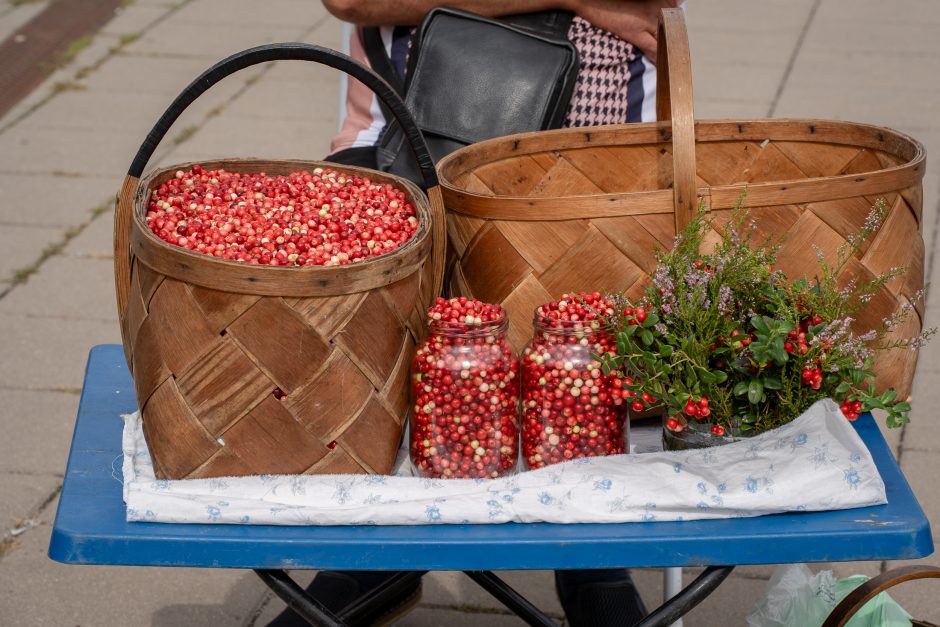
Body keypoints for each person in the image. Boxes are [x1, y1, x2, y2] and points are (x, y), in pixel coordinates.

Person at [268, 2, 679, 625]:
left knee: (581, 358)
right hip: (407, 139)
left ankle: (592, 551)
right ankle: (376, 553)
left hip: (600, 151)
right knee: (384, 356)